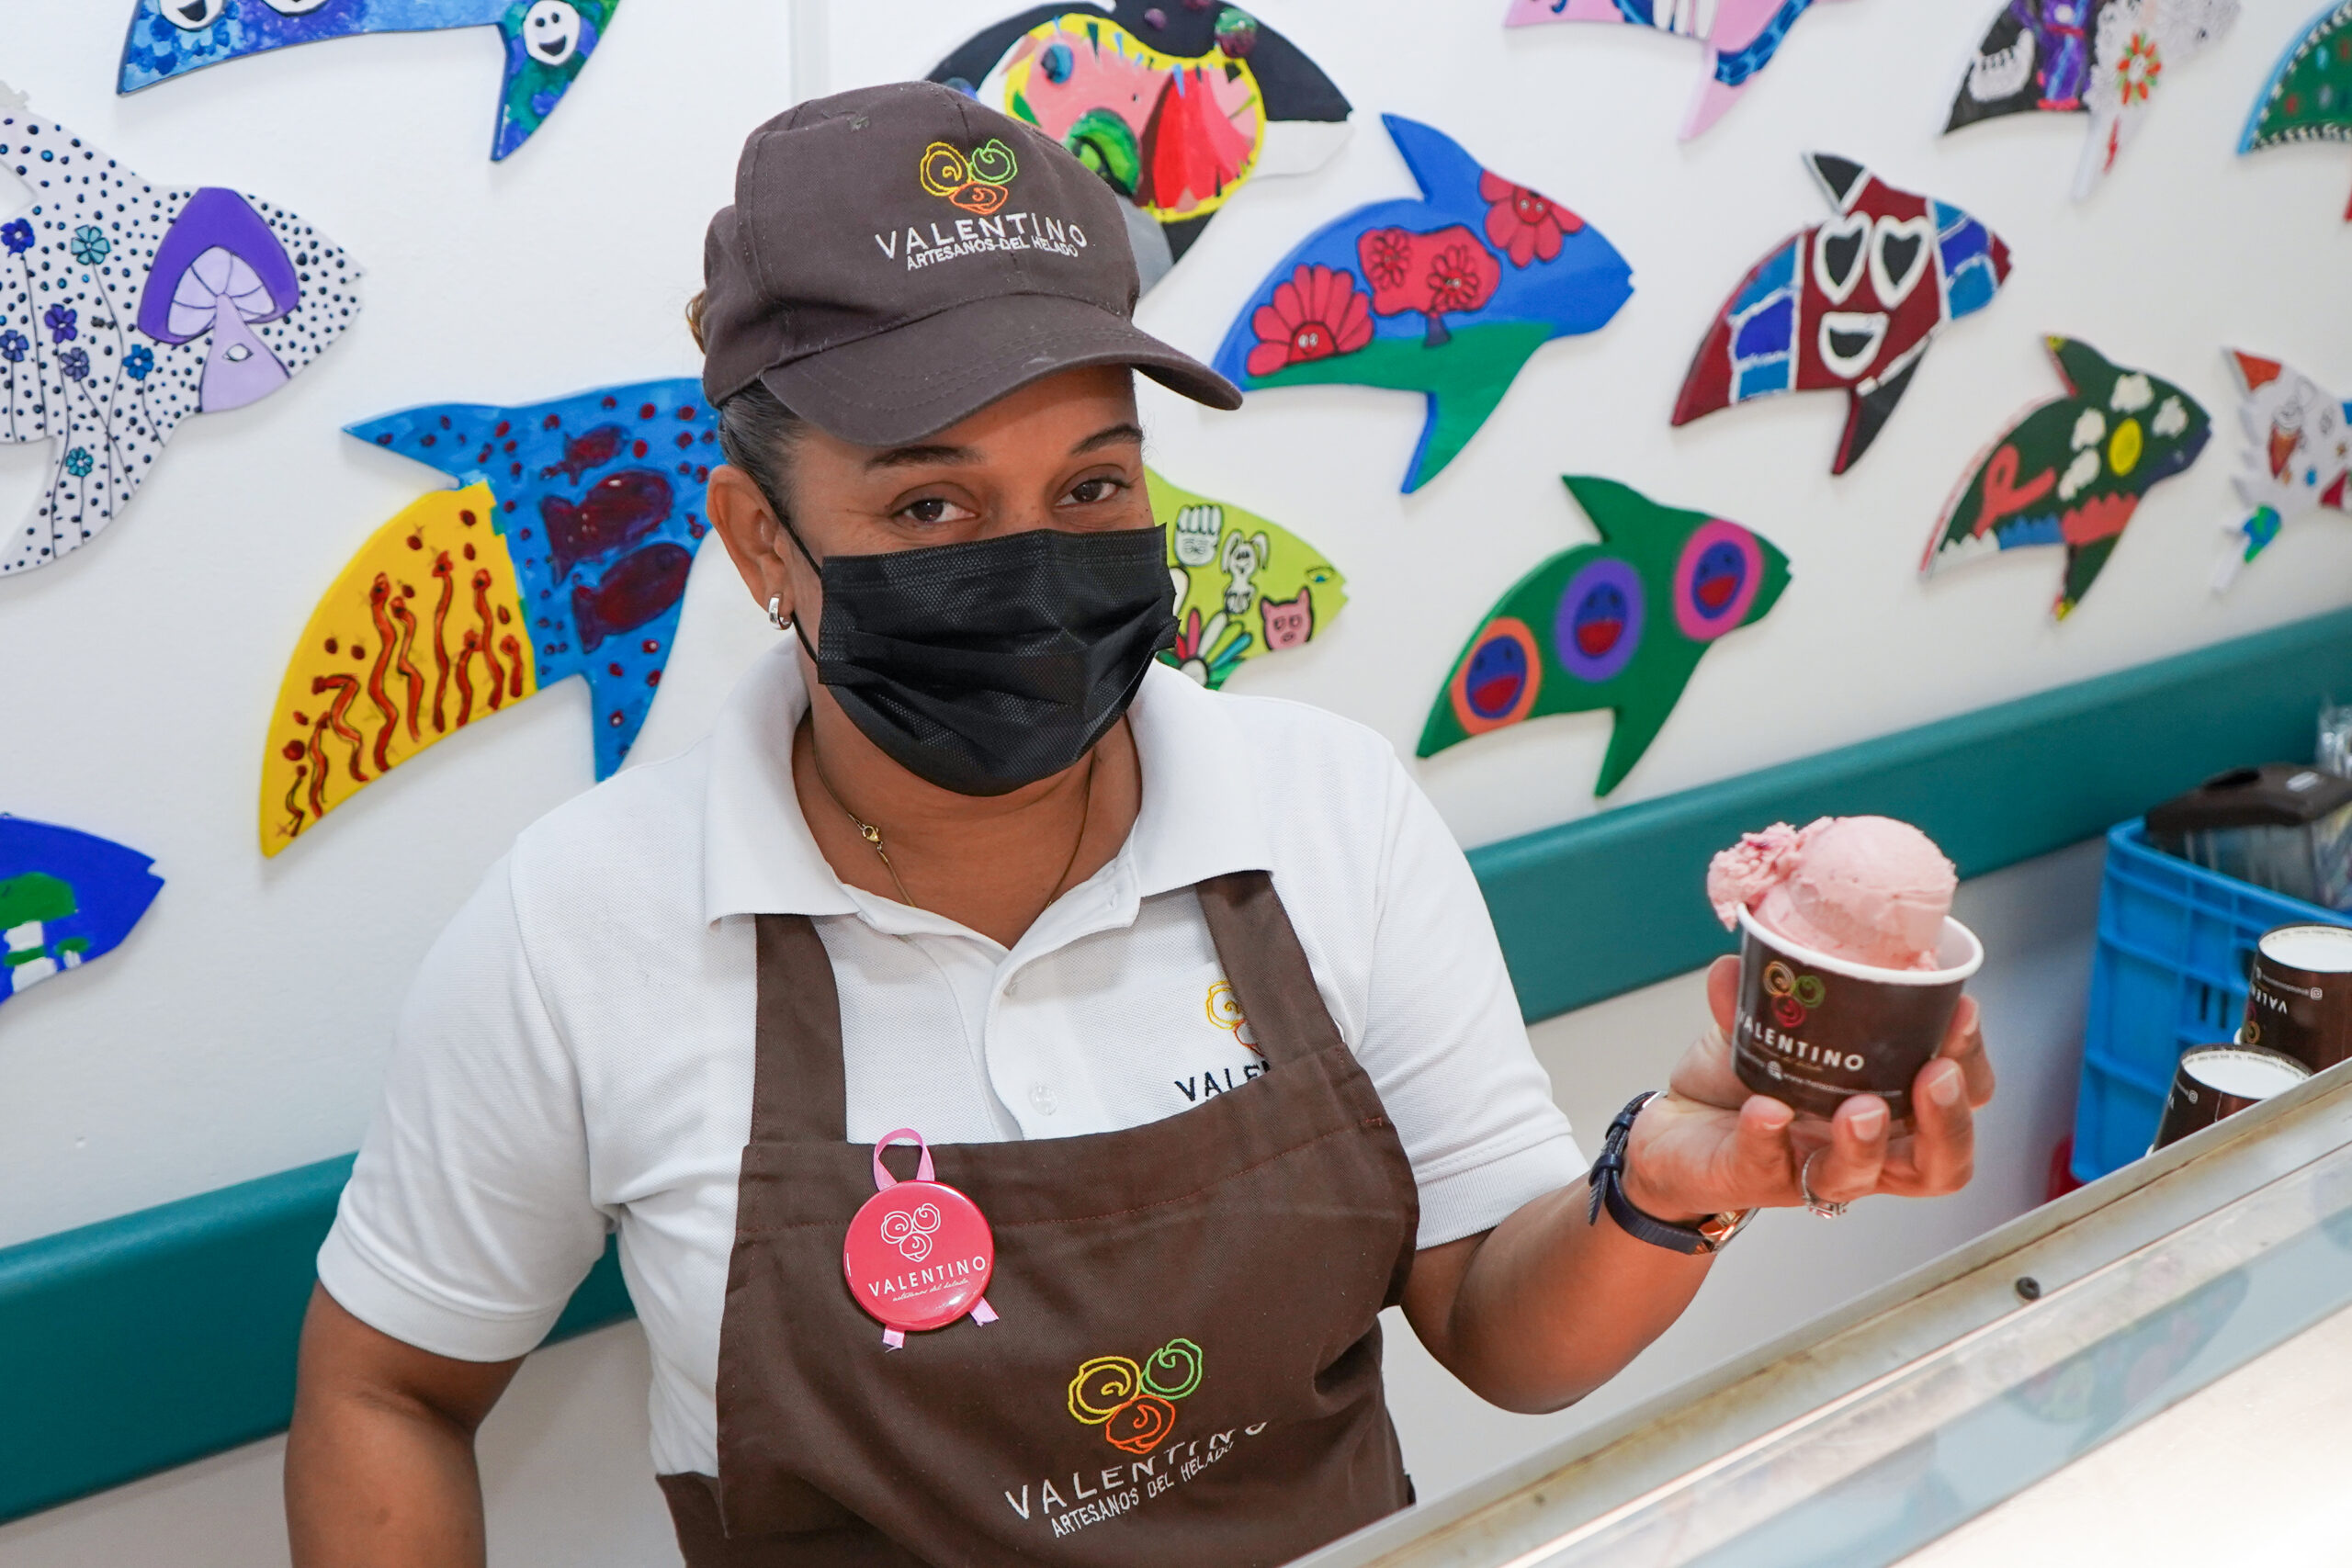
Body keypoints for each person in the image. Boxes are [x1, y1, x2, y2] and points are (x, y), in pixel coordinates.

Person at [284, 82, 1994, 1567]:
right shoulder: (586, 923)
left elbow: (1499, 1327)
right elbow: (387, 1388)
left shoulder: (1328, 818)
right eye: (930, 504)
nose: (1032, 563)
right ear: (757, 541)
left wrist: (1672, 1183)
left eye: (1093, 487)